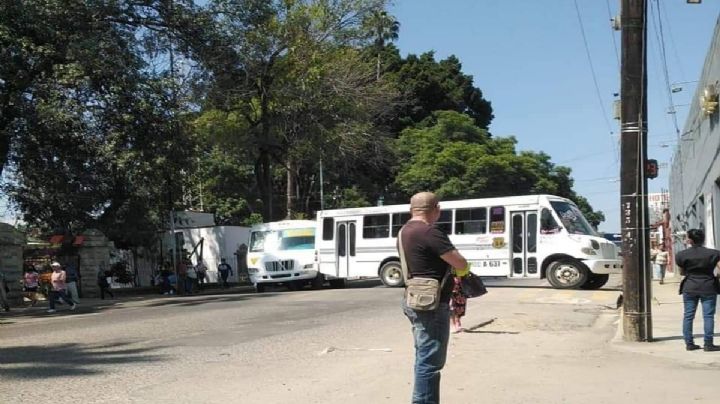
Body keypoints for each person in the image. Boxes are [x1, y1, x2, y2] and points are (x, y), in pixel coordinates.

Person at [398, 191, 470, 404]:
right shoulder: (430, 232)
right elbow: (461, 263)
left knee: (423, 357)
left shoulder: (405, 230)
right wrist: (463, 268)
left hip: (414, 297)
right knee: (430, 363)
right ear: (436, 209)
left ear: (412, 209)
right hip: (432, 304)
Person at [675, 229, 720, 352]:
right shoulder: (715, 253)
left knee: (688, 316)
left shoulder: (681, 255)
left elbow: (682, 272)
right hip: (708, 286)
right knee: (708, 316)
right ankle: (708, 344)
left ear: (689, 240)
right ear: (703, 239)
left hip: (690, 286)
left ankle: (689, 343)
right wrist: (716, 277)